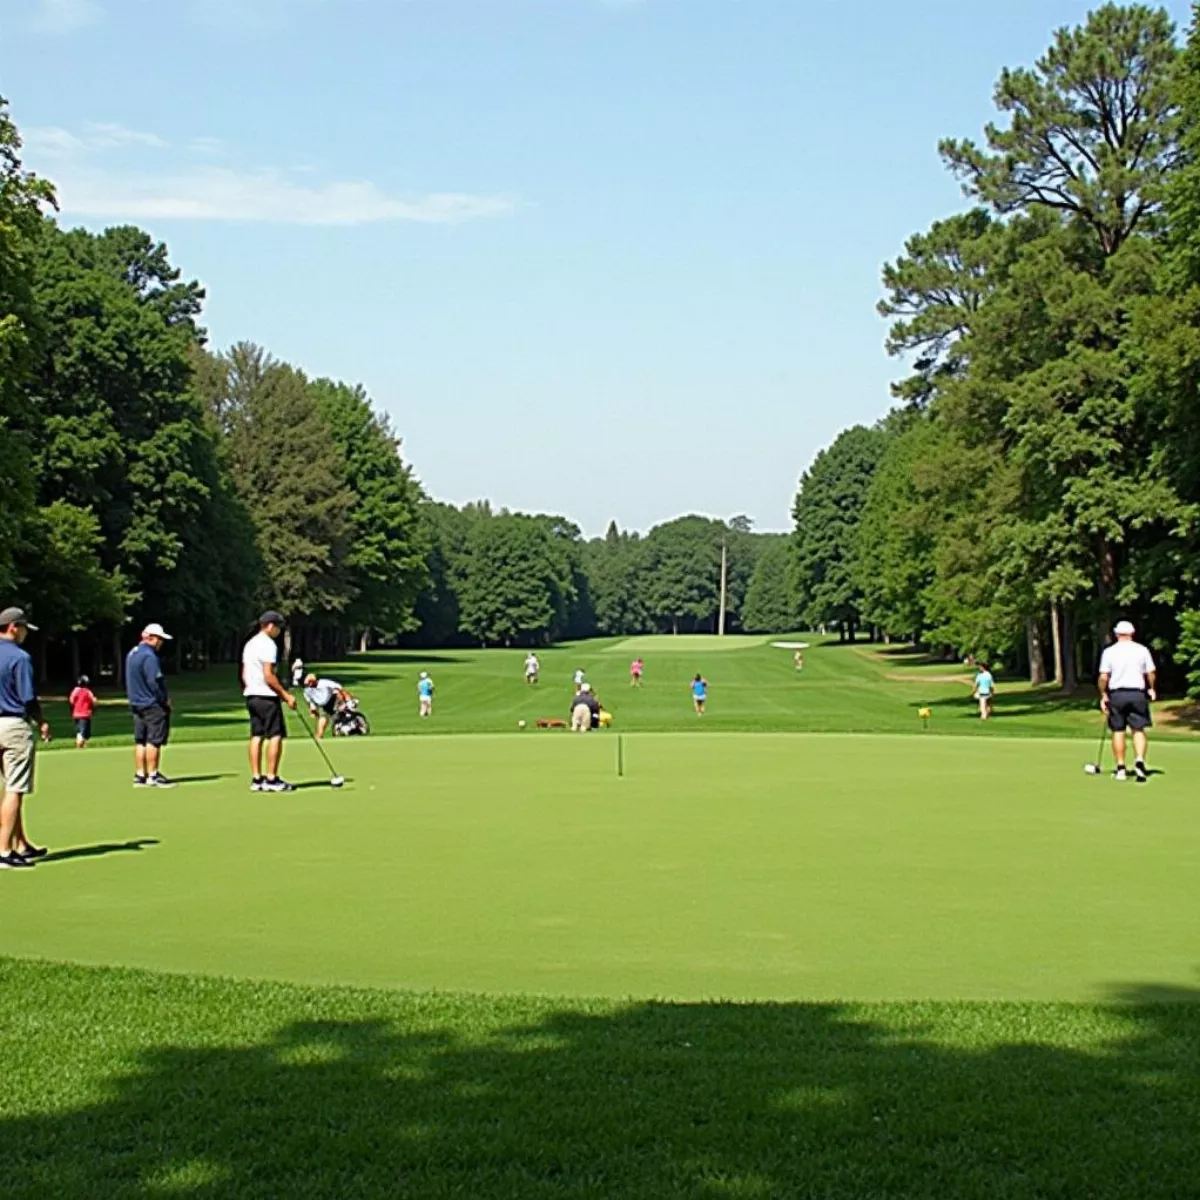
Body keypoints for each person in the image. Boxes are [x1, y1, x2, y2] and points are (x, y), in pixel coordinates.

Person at [0, 608, 50, 869]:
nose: (25, 634)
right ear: (13, 627)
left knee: (9, 786)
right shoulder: (19, 657)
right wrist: (41, 721)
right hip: (12, 724)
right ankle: (4, 850)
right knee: (15, 788)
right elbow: (27, 697)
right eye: (23, 629)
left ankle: (20, 844)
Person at [242, 611, 297, 792]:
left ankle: (257, 778)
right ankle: (272, 779)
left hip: (251, 694)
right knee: (275, 735)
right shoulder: (268, 645)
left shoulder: (250, 644)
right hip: (266, 696)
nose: (279, 631)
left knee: (257, 735)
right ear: (270, 625)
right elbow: (269, 676)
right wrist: (286, 695)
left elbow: (244, 673)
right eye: (279, 627)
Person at [1098, 620, 1157, 783]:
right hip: (1137, 693)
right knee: (1138, 729)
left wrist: (1103, 694)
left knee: (1118, 731)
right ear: (1132, 633)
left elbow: (1104, 677)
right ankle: (1139, 760)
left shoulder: (1109, 652)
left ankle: (1121, 769)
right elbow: (1151, 672)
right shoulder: (1142, 650)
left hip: (1117, 694)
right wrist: (1151, 688)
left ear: (1116, 634)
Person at [126, 623, 175, 787]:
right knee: (154, 740)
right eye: (160, 639)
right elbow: (154, 681)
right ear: (153, 638)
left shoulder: (133, 653)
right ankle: (153, 775)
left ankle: (140, 774)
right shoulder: (149, 656)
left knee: (141, 740)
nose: (161, 643)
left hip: (136, 702)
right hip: (151, 703)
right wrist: (164, 699)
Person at [303, 673, 346, 740]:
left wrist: (343, 697)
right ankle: (319, 737)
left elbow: (338, 687)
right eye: (307, 684)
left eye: (310, 682)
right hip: (325, 708)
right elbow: (311, 702)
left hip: (335, 700)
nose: (309, 685)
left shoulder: (323, 682)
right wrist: (313, 710)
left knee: (338, 722)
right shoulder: (307, 691)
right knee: (320, 727)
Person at [69, 675, 96, 748]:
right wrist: (92, 709)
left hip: (76, 714)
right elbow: (93, 701)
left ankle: (81, 743)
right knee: (83, 731)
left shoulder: (75, 690)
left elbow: (71, 701)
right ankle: (80, 743)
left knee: (79, 730)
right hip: (85, 714)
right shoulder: (87, 691)